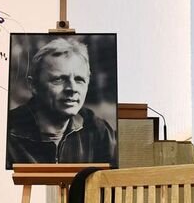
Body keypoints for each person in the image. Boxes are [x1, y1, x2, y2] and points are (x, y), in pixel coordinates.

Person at [7, 38, 117, 166]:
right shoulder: (8, 132)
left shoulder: (99, 132)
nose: (72, 89)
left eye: (79, 80)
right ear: (33, 85)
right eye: (59, 79)